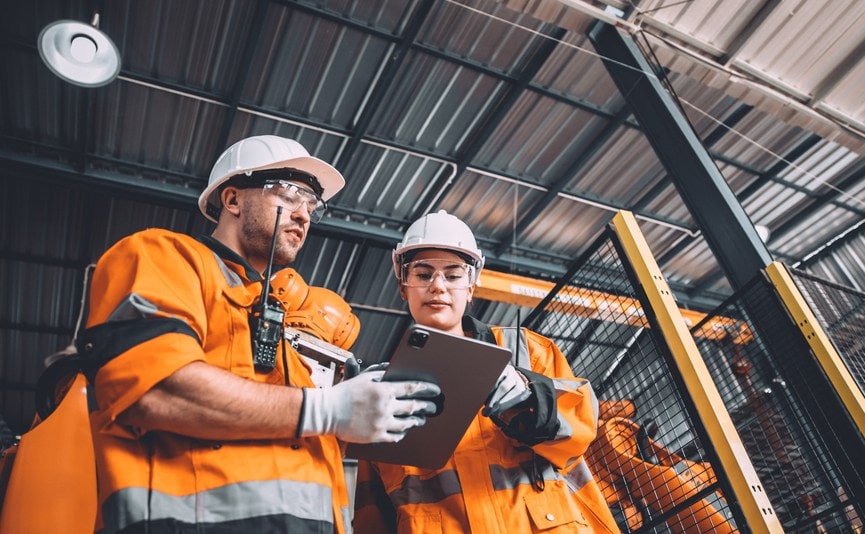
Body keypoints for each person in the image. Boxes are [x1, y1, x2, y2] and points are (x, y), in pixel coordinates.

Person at [80, 135, 441, 533]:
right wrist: (328, 410)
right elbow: (153, 389)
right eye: (291, 193)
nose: (304, 215)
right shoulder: (164, 258)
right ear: (232, 200)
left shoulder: (289, 339)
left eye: (313, 205)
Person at [352, 210, 620, 533]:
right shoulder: (382, 395)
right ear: (402, 286)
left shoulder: (526, 351)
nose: (438, 287)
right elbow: (371, 515)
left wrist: (529, 398)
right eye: (423, 275)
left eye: (453, 275)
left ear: (471, 286)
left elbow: (582, 424)